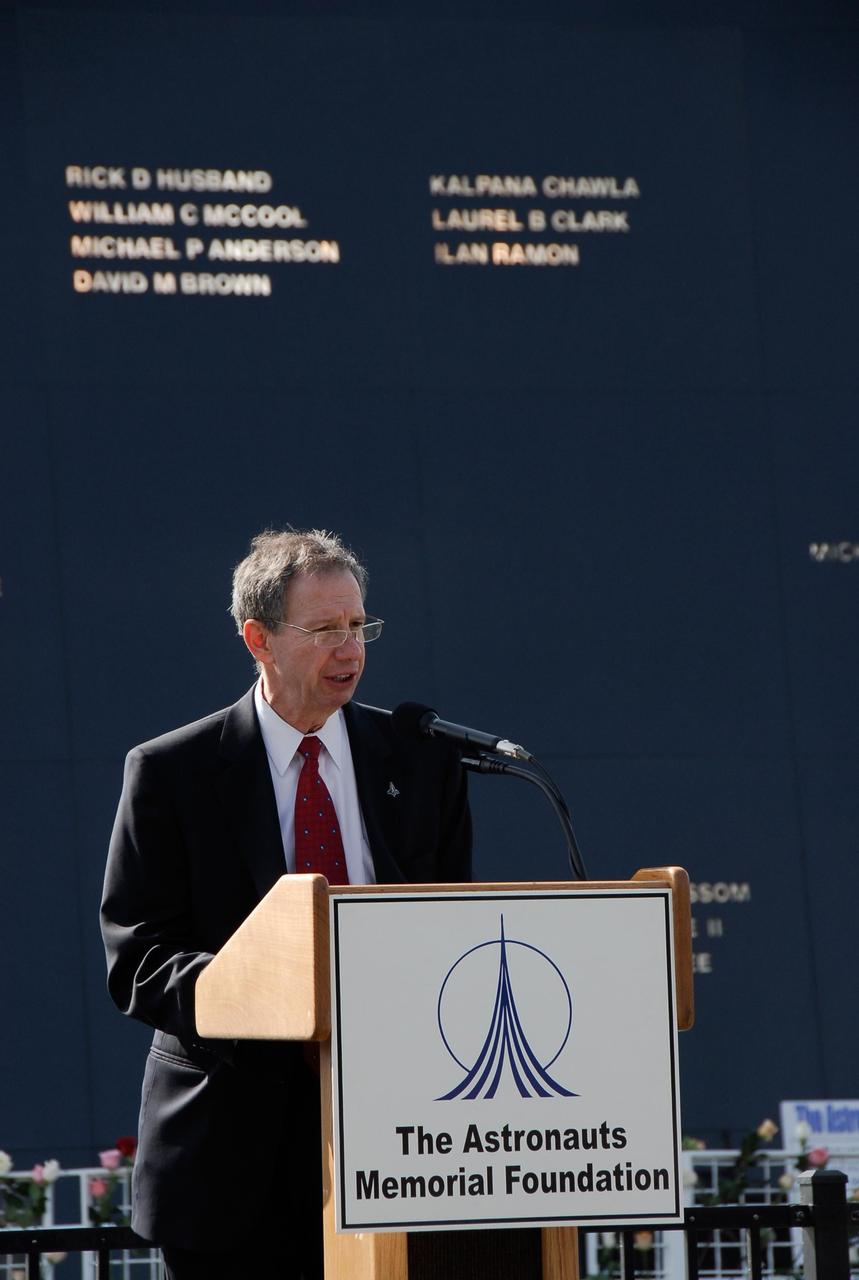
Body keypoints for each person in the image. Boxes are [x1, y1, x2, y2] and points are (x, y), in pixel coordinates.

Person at [100, 528, 472, 1280]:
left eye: (358, 626)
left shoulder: (421, 758)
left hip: (401, 1142)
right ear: (258, 638)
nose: (351, 649)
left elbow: (450, 929)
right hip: (232, 1153)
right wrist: (269, 1005)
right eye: (325, 630)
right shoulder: (173, 772)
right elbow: (137, 959)